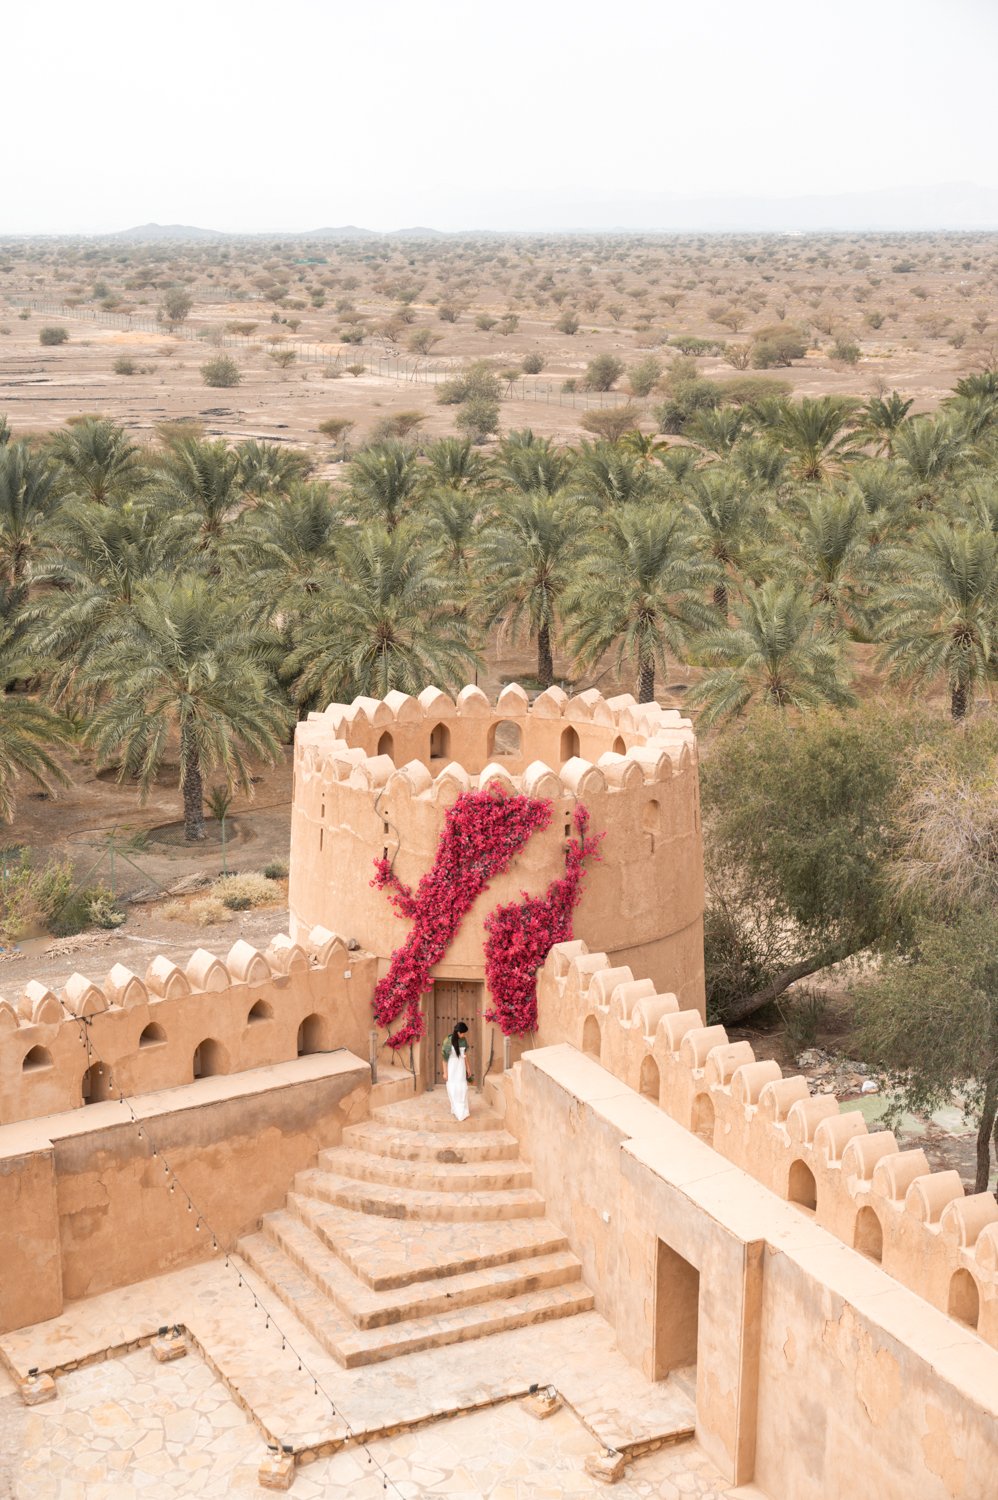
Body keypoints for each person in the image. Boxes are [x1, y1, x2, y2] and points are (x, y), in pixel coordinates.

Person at [442, 1021, 470, 1122]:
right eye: (463, 1033)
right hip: (452, 1067)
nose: (464, 1035)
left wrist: (468, 1068)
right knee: (453, 1087)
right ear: (458, 1032)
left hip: (461, 1067)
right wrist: (445, 1072)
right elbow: (444, 1059)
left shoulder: (463, 1040)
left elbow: (465, 1056)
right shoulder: (447, 1041)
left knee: (462, 1088)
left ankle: (462, 1108)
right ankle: (456, 1108)